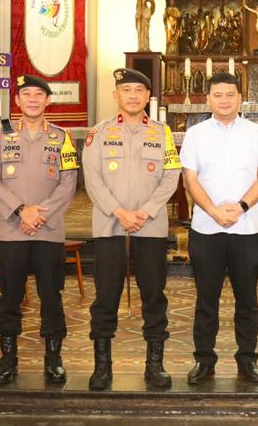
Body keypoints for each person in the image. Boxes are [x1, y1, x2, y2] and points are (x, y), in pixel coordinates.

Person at [82, 68, 182, 390]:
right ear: (116, 95)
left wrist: (145, 212)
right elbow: (92, 179)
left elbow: (171, 175)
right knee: (105, 297)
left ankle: (155, 365)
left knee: (154, 296)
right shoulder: (99, 133)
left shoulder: (162, 133)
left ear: (148, 96)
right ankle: (102, 366)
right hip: (110, 227)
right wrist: (119, 212)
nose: (133, 95)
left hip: (150, 227)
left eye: (139, 90)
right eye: (126, 90)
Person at [0, 75, 79, 386]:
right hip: (11, 231)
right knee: (9, 296)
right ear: (18, 101)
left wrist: (39, 214)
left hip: (48, 231)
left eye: (39, 94)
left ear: (48, 101)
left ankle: (54, 358)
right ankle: (8, 358)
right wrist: (21, 211)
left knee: (51, 296)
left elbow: (68, 183)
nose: (33, 100)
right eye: (27, 94)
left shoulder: (63, 137)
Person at [180, 71, 258, 385]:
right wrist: (214, 211)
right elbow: (190, 179)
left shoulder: (256, 133)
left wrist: (242, 207)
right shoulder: (195, 134)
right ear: (208, 99)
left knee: (247, 300)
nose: (224, 100)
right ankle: (204, 360)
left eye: (230, 95)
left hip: (247, 228)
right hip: (207, 228)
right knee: (206, 300)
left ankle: (247, 360)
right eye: (217, 95)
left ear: (240, 98)